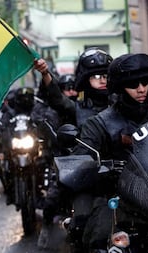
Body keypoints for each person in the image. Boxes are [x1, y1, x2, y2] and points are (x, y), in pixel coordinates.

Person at [70, 53, 148, 251]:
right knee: (99, 237)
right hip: (119, 197)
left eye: (145, 82)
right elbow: (81, 158)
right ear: (119, 88)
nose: (141, 88)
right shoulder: (99, 124)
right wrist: (94, 166)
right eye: (133, 84)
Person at [33, 47, 113, 249]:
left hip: (123, 174)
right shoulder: (77, 108)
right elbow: (57, 99)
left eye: (106, 75)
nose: (102, 80)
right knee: (81, 222)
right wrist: (45, 73)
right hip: (88, 177)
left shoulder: (122, 106)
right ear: (86, 79)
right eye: (96, 76)